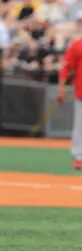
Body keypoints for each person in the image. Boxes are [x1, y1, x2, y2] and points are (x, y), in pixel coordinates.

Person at [58, 37, 82, 170]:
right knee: (80, 126)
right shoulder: (78, 45)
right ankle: (79, 157)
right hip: (81, 92)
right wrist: (61, 88)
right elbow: (66, 66)